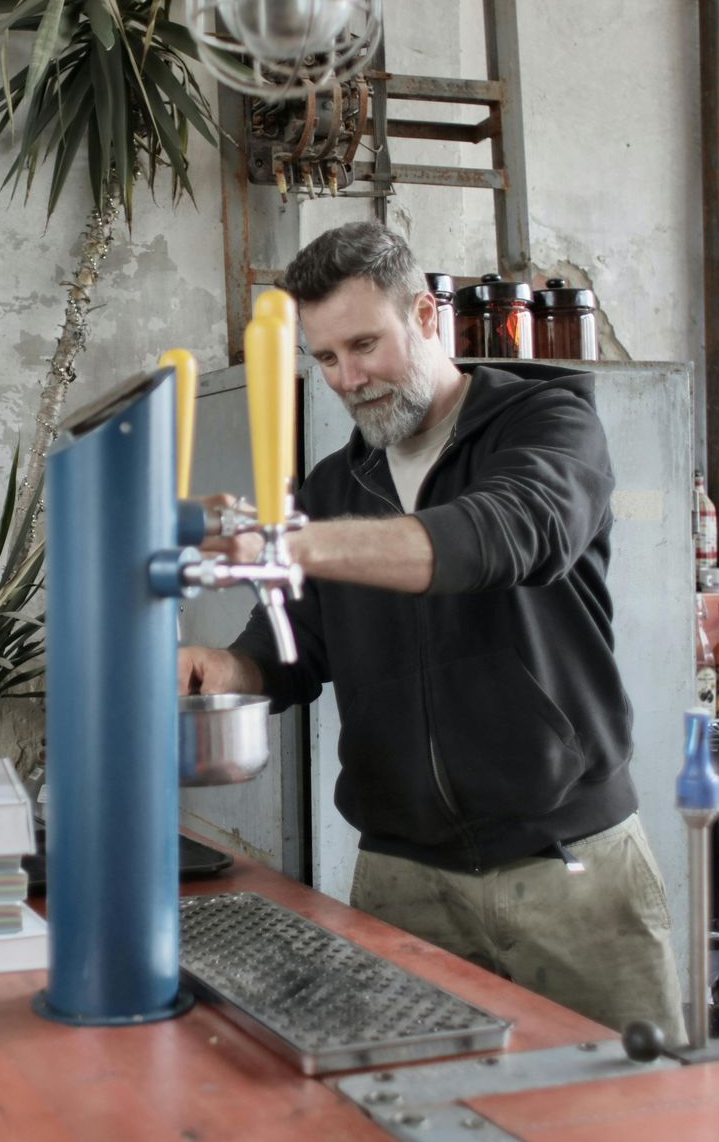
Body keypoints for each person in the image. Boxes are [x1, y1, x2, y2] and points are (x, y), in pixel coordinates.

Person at [179, 221, 684, 1037]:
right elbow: (295, 645)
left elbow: (502, 533)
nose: (348, 378)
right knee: (410, 1127)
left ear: (425, 314)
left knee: (628, 1126)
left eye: (365, 344)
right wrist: (223, 669)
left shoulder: (547, 423)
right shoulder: (334, 484)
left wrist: (284, 542)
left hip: (573, 869)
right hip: (402, 879)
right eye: (327, 359)